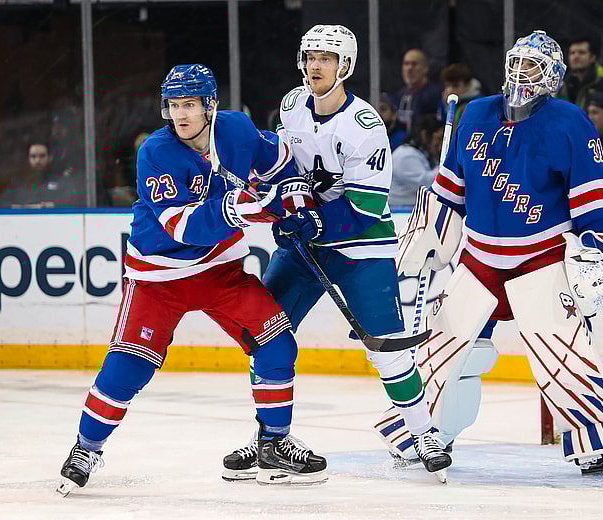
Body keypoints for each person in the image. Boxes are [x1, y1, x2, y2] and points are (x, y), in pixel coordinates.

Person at [56, 64, 327, 496]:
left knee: (277, 342)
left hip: (221, 271)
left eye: (190, 104)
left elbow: (281, 166)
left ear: (210, 105)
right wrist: (250, 210)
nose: (180, 115)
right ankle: (86, 447)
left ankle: (274, 443)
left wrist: (296, 205)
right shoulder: (156, 151)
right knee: (128, 367)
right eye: (174, 105)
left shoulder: (236, 129)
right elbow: (181, 226)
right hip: (159, 276)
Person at [388, 30, 603, 475]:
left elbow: (596, 200)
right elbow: (450, 194)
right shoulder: (475, 114)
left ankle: (598, 437)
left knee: (559, 353)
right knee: (440, 346)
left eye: (533, 67)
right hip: (478, 258)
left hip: (540, 258)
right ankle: (422, 431)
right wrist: (429, 234)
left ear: (552, 77)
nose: (521, 73)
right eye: (517, 63)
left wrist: (599, 250)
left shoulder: (570, 122)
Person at [221, 25, 452, 483]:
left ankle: (424, 433)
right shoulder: (291, 106)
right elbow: (282, 167)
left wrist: (313, 223)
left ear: (345, 66)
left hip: (360, 246)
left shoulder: (365, 126)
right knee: (263, 334)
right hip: (307, 246)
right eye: (310, 56)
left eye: (326, 58)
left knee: (386, 348)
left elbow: (366, 207)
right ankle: (270, 437)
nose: (315, 66)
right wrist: (279, 205)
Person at [0, 141, 84, 208]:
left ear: (49, 158)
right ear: (28, 159)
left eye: (42, 156)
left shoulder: (62, 183)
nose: (37, 161)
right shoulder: (18, 185)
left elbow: (73, 204)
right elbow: (3, 205)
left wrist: (51, 206)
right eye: (33, 156)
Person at [389, 114, 443, 207]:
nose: (441, 144)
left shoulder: (424, 153)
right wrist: (446, 166)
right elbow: (426, 184)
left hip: (413, 208)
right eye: (438, 138)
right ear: (424, 135)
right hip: (399, 211)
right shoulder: (406, 155)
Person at [558, 37, 603, 110]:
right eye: (572, 53)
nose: (576, 56)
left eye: (581, 52)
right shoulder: (565, 84)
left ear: (592, 57)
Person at [393, 48, 442, 133]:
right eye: (406, 64)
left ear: (425, 68)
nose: (410, 68)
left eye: (414, 64)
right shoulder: (399, 95)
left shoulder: (436, 95)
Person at [439, 63, 483, 129]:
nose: (450, 90)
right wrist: (446, 106)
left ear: (468, 84)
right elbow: (442, 124)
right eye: (447, 85)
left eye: (455, 86)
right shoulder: (445, 100)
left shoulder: (479, 102)